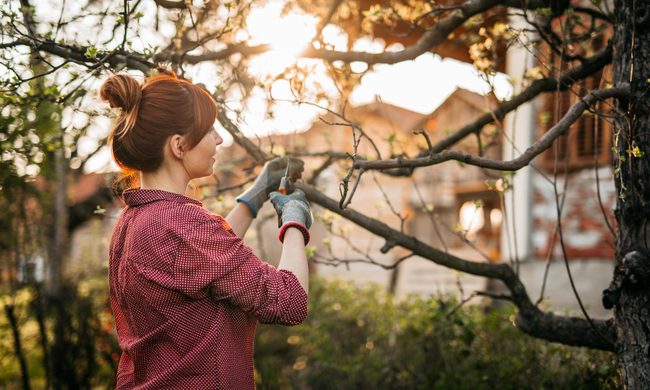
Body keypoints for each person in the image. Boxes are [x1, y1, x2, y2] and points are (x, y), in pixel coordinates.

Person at [100, 70, 312, 389]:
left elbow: (207, 263)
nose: (219, 139)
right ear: (179, 145)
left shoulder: (133, 222)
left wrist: (255, 195)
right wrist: (295, 221)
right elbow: (289, 301)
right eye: (209, 130)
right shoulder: (183, 225)